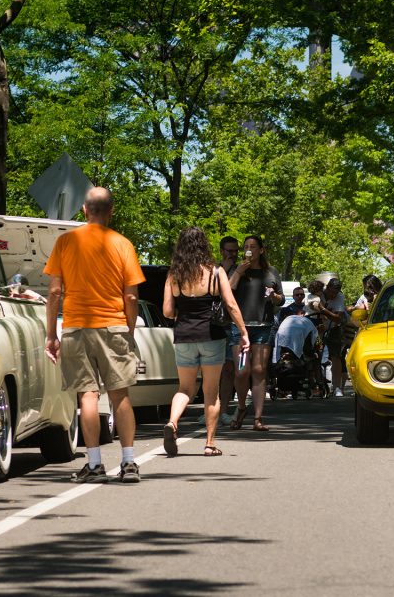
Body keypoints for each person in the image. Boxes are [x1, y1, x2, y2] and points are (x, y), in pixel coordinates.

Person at [44, 187, 144, 483]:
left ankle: (95, 464)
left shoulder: (66, 242)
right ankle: (128, 463)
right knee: (120, 395)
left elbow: (53, 292)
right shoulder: (123, 244)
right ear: (111, 211)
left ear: (84, 210)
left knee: (87, 395)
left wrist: (52, 334)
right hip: (114, 326)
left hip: (77, 327)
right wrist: (128, 328)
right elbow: (132, 297)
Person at [162, 227, 249, 457]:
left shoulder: (174, 274)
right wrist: (243, 332)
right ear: (204, 246)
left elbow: (168, 311)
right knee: (211, 392)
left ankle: (172, 422)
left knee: (185, 389)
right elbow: (230, 305)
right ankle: (210, 444)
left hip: (184, 337)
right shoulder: (215, 272)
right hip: (211, 336)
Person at [228, 235, 284, 431]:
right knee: (242, 371)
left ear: (261, 250)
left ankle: (258, 417)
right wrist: (239, 272)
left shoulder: (271, 272)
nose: (249, 250)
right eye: (246, 247)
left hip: (264, 326)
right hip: (240, 328)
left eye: (253, 246)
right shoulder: (238, 269)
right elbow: (227, 290)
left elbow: (280, 300)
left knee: (259, 370)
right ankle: (242, 407)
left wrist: (274, 296)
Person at [201, 236, 241, 427]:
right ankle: (210, 409)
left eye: (235, 251)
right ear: (222, 251)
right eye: (229, 251)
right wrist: (223, 268)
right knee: (211, 369)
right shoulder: (214, 270)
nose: (233, 255)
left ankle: (223, 410)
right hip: (215, 323)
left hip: (233, 324)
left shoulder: (243, 270)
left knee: (229, 369)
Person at [320, 278, 349, 396]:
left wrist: (323, 309)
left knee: (336, 356)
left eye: (335, 293)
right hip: (318, 326)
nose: (333, 295)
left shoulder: (340, 297)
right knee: (316, 355)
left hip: (335, 327)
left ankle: (337, 387)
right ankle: (317, 384)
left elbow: (338, 318)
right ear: (327, 288)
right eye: (331, 292)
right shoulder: (319, 293)